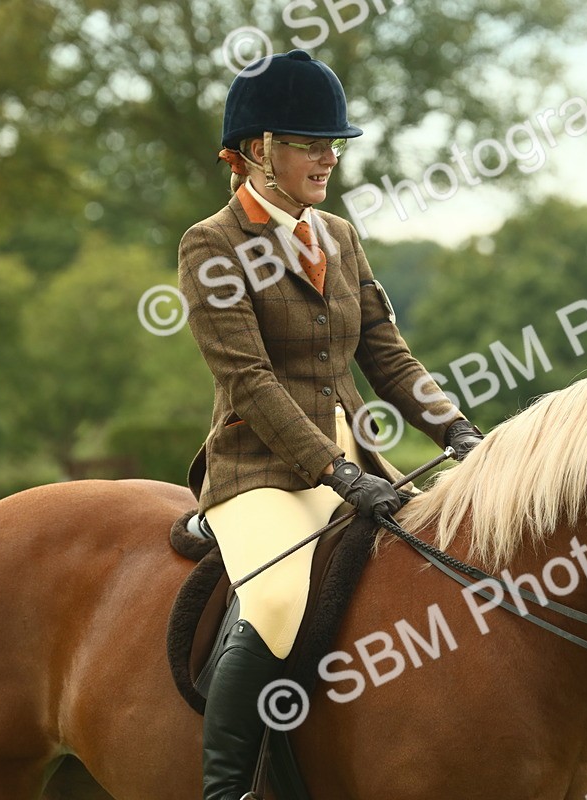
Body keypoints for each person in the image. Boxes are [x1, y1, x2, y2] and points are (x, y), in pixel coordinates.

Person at [177, 49, 483, 800]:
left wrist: (461, 434)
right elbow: (249, 381)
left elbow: (390, 357)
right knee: (278, 601)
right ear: (257, 152)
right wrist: (336, 472)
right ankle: (225, 790)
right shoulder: (211, 246)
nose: (328, 159)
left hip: (358, 469)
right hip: (262, 474)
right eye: (310, 144)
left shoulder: (339, 237)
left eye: (333, 145)